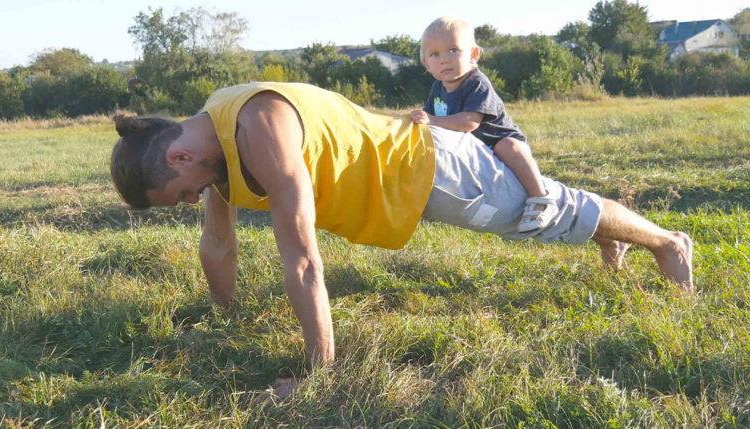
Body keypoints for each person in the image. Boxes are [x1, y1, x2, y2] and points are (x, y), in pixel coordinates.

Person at [110, 81, 693, 394]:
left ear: (179, 153)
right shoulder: (215, 143)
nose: (194, 201)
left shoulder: (259, 124)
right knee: (555, 219)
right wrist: (226, 314)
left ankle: (667, 243)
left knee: (543, 214)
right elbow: (219, 242)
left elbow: (305, 261)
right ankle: (606, 236)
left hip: (427, 167)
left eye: (182, 193)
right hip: (404, 184)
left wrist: (321, 371)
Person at [411, 17, 555, 232]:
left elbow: (469, 122)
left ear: (473, 54)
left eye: (453, 50)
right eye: (435, 54)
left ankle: (540, 199)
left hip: (497, 141)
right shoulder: (438, 89)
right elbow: (430, 126)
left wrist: (431, 120)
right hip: (473, 151)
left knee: (509, 147)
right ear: (426, 64)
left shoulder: (476, 82)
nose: (444, 59)